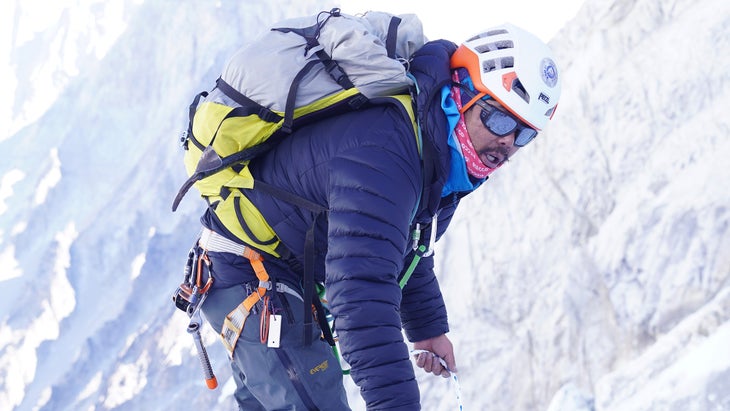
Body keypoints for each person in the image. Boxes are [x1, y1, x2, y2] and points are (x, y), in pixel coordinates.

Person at [195, 20, 561, 410]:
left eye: (523, 134)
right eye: (499, 119)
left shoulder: (433, 146)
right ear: (462, 93)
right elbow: (361, 295)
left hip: (272, 276)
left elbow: (397, 241)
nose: (507, 141)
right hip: (252, 274)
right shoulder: (387, 152)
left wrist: (427, 328)